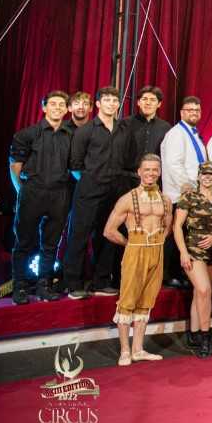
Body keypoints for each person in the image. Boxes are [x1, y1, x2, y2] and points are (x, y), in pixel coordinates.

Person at [103, 153, 168, 365]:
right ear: (139, 172)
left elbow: (167, 227)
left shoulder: (166, 200)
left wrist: (154, 242)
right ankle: (125, 351)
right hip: (135, 251)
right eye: (147, 169)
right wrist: (130, 244)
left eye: (155, 170)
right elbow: (109, 231)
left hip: (156, 251)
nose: (151, 173)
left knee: (146, 301)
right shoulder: (127, 199)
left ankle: (138, 349)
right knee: (127, 301)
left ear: (159, 172)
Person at [9, 90, 72, 303]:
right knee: (24, 242)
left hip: (60, 194)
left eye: (61, 104)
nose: (57, 108)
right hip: (32, 192)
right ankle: (19, 286)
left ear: (66, 109)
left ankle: (44, 285)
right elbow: (15, 167)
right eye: (52, 104)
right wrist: (22, 192)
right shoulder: (27, 134)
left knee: (51, 244)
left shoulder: (71, 136)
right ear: (44, 107)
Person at [64, 86, 121, 298]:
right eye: (106, 100)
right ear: (97, 104)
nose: (111, 104)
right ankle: (73, 284)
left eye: (114, 100)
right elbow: (75, 164)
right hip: (88, 191)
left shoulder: (123, 129)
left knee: (107, 236)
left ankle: (101, 282)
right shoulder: (85, 130)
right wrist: (91, 182)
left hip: (114, 192)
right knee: (79, 236)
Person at [173, 161, 212, 357]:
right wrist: (183, 252)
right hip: (194, 249)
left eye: (211, 174)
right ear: (198, 176)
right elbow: (177, 226)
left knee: (200, 294)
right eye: (204, 174)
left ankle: (193, 333)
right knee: (204, 290)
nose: (207, 177)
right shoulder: (189, 197)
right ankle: (205, 336)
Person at [160, 96, 206, 206]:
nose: (194, 113)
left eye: (197, 110)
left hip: (195, 194)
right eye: (190, 110)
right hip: (180, 196)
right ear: (182, 113)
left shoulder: (194, 134)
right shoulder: (176, 133)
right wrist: (187, 186)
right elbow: (173, 164)